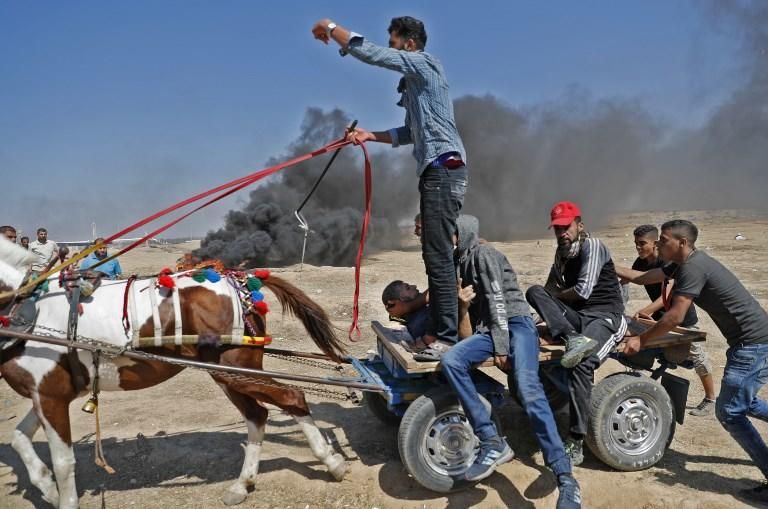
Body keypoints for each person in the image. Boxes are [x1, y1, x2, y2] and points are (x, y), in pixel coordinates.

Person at [312, 15, 468, 359]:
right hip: (434, 169)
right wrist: (371, 135)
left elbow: (372, 54)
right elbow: (410, 132)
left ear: (409, 44)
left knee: (439, 255)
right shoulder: (415, 86)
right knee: (434, 253)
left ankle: (445, 337)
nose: (392, 49)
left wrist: (329, 25)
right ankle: (439, 331)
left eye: (395, 42)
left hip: (443, 166)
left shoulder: (424, 64)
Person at [618, 220, 768, 504]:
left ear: (682, 243)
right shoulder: (679, 264)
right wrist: (606, 265)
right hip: (751, 340)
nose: (659, 245)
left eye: (663, 240)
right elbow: (641, 278)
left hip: (753, 344)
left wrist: (642, 340)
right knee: (743, 402)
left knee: (729, 412)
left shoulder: (692, 268)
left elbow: (674, 316)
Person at [437, 215, 581, 508]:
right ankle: (491, 440)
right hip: (491, 329)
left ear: (462, 233)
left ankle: (566, 478)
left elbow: (497, 299)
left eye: (451, 235)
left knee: (528, 390)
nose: (448, 241)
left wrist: (501, 345)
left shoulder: (484, 253)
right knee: (452, 360)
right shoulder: (462, 260)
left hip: (516, 325)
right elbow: (476, 315)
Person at [525, 201, 627, 466]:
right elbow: (546, 291)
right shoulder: (561, 254)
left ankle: (576, 438)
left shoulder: (593, 246)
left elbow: (582, 291)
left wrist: (554, 302)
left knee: (582, 364)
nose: (562, 233)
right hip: (577, 319)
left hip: (605, 317)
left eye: (566, 227)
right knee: (533, 291)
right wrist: (541, 319)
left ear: (579, 225)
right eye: (557, 229)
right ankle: (571, 337)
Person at [625, 224, 716, 416]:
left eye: (642, 244)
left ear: (655, 243)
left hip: (680, 318)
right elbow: (630, 279)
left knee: (698, 358)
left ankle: (710, 399)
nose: (638, 248)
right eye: (636, 244)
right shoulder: (640, 263)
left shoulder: (665, 262)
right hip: (657, 319)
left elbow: (668, 291)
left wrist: (645, 309)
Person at [381, 279, 474, 356]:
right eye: (408, 288)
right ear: (395, 302)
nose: (414, 286)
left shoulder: (419, 315)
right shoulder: (419, 322)